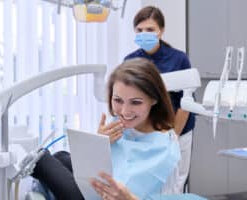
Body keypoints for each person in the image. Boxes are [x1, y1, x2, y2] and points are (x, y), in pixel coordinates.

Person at [31, 58, 181, 199]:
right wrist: (99, 143)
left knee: (40, 159)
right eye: (118, 100)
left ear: (154, 99)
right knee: (60, 156)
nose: (124, 111)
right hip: (97, 189)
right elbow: (96, 167)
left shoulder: (167, 148)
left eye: (136, 102)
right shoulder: (118, 124)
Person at [124, 6, 196, 193]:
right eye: (139, 30)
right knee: (149, 183)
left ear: (161, 31)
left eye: (150, 29)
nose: (144, 34)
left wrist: (173, 135)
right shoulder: (130, 62)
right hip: (146, 131)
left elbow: (185, 102)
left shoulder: (179, 59)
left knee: (176, 183)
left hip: (178, 129)